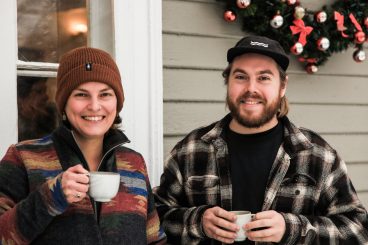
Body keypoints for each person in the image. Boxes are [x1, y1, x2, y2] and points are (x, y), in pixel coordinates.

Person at [153, 35, 368, 244]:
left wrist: (292, 229)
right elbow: (152, 220)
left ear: (282, 86)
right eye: (240, 77)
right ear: (227, 82)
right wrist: (197, 222)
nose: (251, 89)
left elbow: (358, 230)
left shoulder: (318, 155)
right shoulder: (190, 150)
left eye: (264, 78)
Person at [0, 47, 166, 244]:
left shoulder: (133, 162)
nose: (95, 106)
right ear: (64, 103)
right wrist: (50, 198)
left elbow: (155, 239)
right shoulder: (23, 158)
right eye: (81, 95)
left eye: (105, 94)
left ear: (117, 102)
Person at [17, 76, 58, 141]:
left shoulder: (52, 114)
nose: (46, 96)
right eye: (39, 92)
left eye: (45, 91)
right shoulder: (12, 120)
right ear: (22, 99)